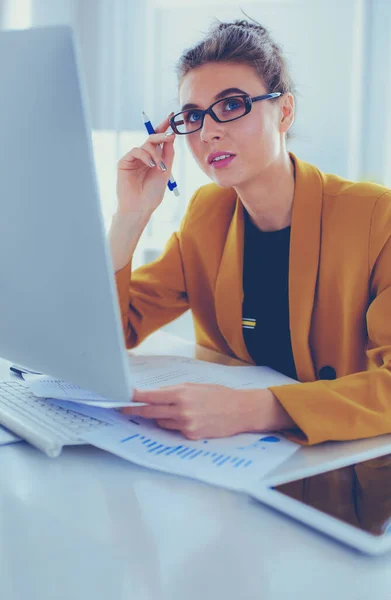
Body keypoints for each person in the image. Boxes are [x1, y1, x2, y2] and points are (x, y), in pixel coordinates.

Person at [108, 18, 391, 446]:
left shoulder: (376, 217)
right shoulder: (207, 214)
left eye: (231, 105)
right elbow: (115, 330)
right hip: (233, 465)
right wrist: (130, 215)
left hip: (350, 471)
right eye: (193, 115)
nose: (208, 132)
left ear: (285, 111)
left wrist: (254, 409)